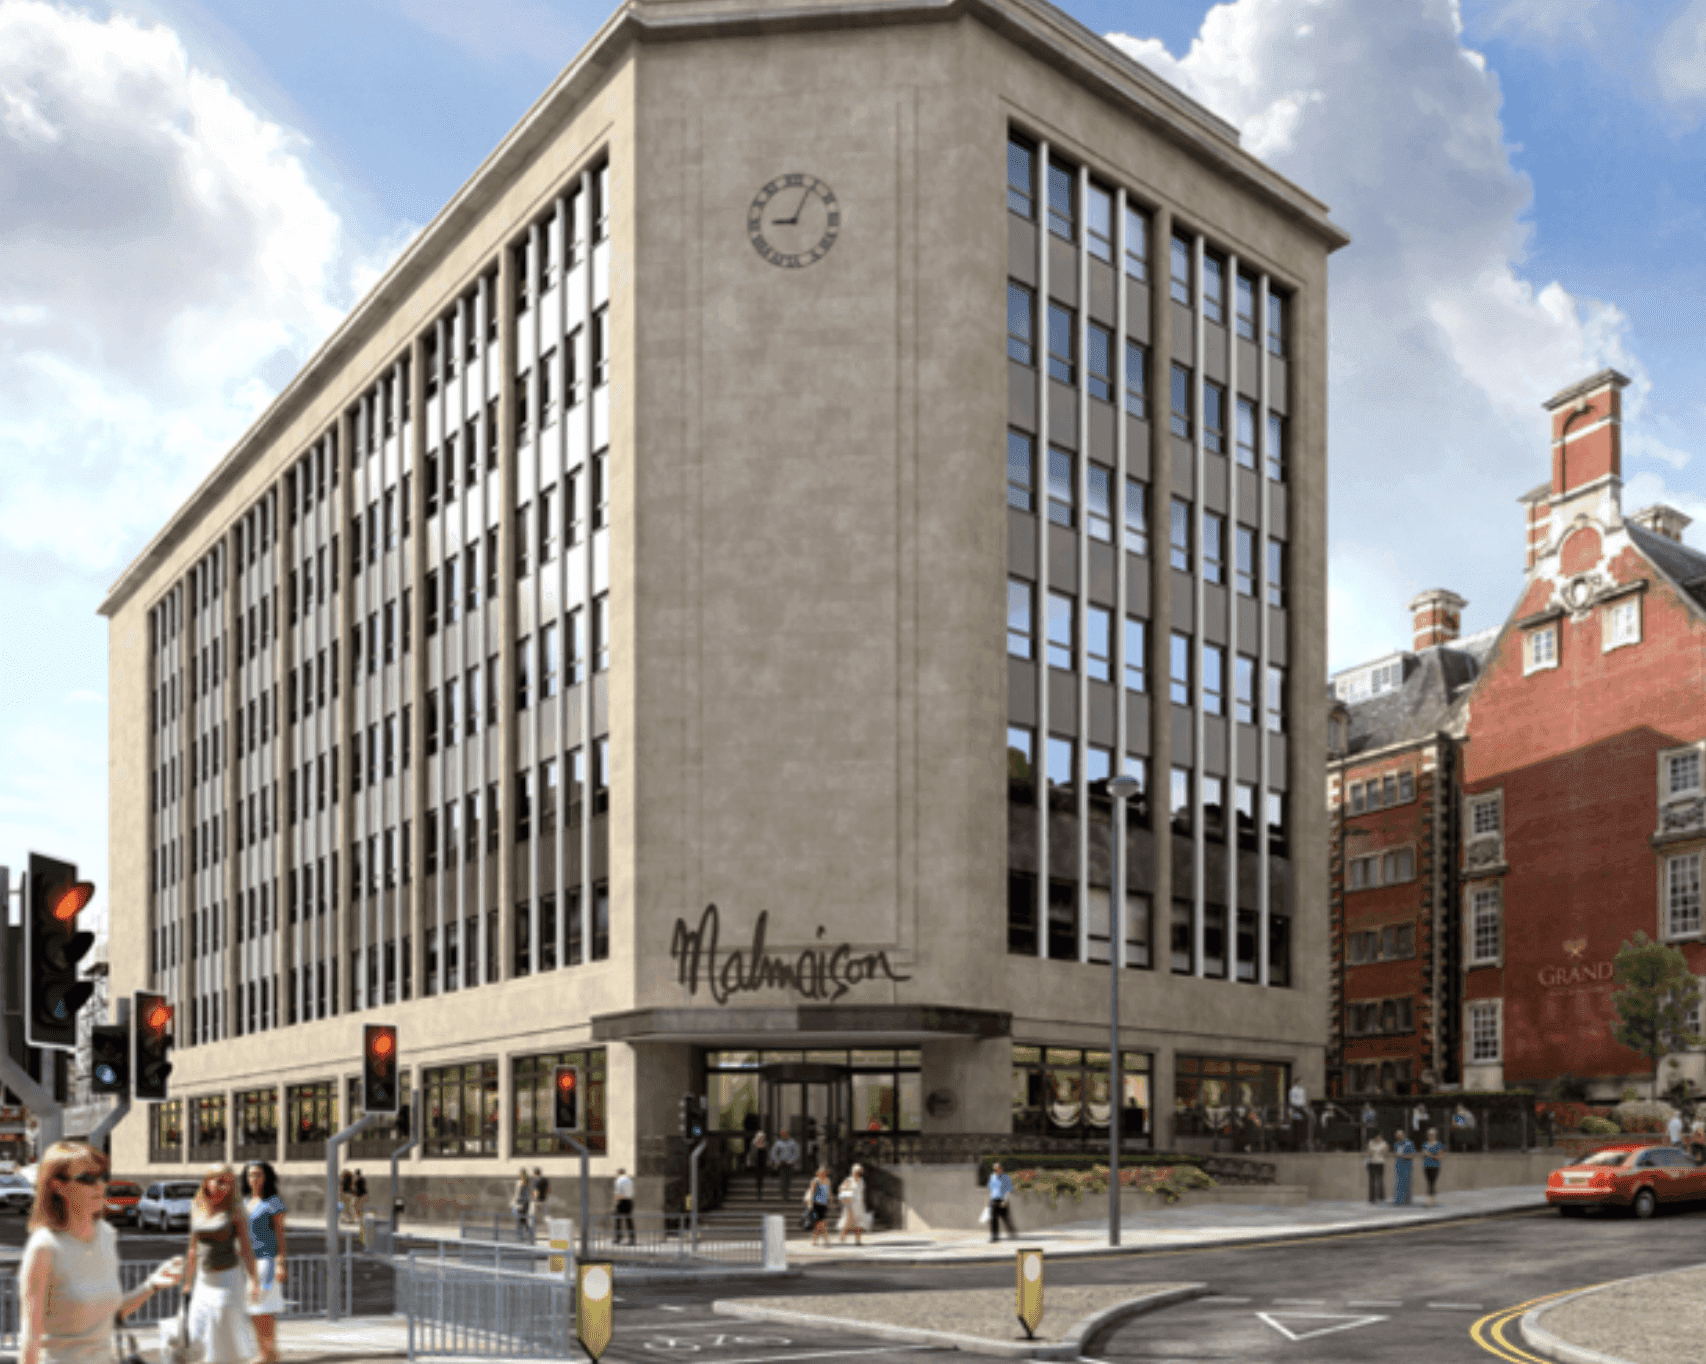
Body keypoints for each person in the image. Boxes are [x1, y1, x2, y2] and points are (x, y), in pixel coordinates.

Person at [20, 1140, 182, 1364]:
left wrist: (152, 1285)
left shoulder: (106, 1235)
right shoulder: (44, 1247)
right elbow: (31, 1339)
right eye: (88, 1179)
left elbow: (111, 1315)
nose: (100, 1186)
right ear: (58, 1186)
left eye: (103, 1177)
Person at [183, 1164, 262, 1364]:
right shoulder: (197, 1206)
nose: (221, 1186)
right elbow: (193, 1248)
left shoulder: (235, 1211)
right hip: (203, 1281)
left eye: (227, 1182)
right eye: (217, 1180)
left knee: (222, 1335)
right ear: (207, 1182)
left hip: (227, 1279)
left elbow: (246, 1248)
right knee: (199, 1334)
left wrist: (254, 1280)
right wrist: (186, 1281)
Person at [244, 1161, 288, 1364]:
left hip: (267, 1261)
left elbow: (280, 1234)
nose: (254, 1179)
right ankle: (267, 1352)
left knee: (265, 1308)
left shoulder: (274, 1202)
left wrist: (281, 1263)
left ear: (266, 1177)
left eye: (258, 1174)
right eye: (251, 1175)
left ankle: (268, 1353)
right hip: (248, 1264)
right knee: (254, 1309)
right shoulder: (244, 1202)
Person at [837, 1163, 868, 1246]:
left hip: (859, 1204)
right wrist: (846, 1198)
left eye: (860, 1172)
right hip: (850, 1204)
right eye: (857, 1171)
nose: (858, 1173)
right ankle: (842, 1238)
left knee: (859, 1223)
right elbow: (841, 1189)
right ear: (853, 1172)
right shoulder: (849, 1180)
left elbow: (862, 1192)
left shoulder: (861, 1181)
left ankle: (858, 1241)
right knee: (847, 1222)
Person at [986, 1161, 1016, 1242]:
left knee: (1006, 1218)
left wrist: (1005, 1201)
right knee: (993, 1219)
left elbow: (1009, 1190)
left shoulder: (1006, 1177)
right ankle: (994, 1236)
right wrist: (990, 1201)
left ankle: (1012, 1232)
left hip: (1003, 1200)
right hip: (994, 1200)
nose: (995, 1170)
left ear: (1000, 1168)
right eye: (994, 1169)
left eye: (997, 1169)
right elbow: (991, 1189)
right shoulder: (992, 1177)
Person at [804, 1167, 834, 1247]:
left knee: (819, 1223)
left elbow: (829, 1192)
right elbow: (811, 1191)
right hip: (816, 1204)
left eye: (825, 1172)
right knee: (821, 1223)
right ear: (818, 1173)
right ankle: (826, 1239)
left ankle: (814, 1240)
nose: (823, 1174)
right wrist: (810, 1203)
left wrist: (831, 1202)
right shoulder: (815, 1180)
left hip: (824, 1204)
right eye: (822, 1172)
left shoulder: (828, 1181)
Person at [770, 1129, 800, 1204]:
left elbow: (796, 1152)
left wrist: (792, 1160)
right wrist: (777, 1161)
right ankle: (784, 1196)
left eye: (784, 1133)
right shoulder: (778, 1143)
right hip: (782, 1163)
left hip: (789, 1163)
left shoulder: (792, 1142)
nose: (783, 1135)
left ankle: (787, 1194)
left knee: (788, 1180)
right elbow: (773, 1153)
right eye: (782, 1134)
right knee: (783, 1180)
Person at [1364, 1131, 1390, 1204]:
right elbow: (1368, 1152)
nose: (1379, 1138)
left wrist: (1384, 1150)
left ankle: (1381, 1197)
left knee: (1380, 1180)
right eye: (1378, 1136)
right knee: (1372, 1181)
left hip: (1380, 1162)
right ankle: (1372, 1198)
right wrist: (1370, 1151)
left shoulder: (1384, 1143)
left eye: (1380, 1137)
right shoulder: (1371, 1143)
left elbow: (1386, 1153)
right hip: (1372, 1162)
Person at [1421, 1127, 1445, 1207]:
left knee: (1432, 1183)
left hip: (1435, 1166)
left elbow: (1440, 1156)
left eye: (1432, 1134)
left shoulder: (1438, 1144)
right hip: (1426, 1166)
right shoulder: (1425, 1144)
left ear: (1435, 1135)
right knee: (1428, 1183)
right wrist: (1424, 1154)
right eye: (1429, 1134)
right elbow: (1423, 1155)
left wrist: (1430, 1155)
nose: (1430, 1136)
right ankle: (1431, 1200)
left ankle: (1431, 1201)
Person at [1392, 1130, 1415, 1206]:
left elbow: (1411, 1155)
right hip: (1399, 1166)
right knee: (1398, 1183)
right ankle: (1398, 1200)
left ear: (1403, 1135)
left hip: (1407, 1166)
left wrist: (1402, 1156)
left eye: (1400, 1135)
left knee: (1407, 1183)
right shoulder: (1396, 1144)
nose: (1398, 1136)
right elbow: (1395, 1154)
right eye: (1397, 1135)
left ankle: (1407, 1200)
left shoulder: (1409, 1143)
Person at [612, 1168, 635, 1246]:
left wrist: (615, 1204)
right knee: (629, 1220)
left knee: (618, 1220)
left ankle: (618, 1237)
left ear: (619, 1173)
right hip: (629, 1201)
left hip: (621, 1201)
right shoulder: (630, 1180)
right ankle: (632, 1238)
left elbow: (617, 1193)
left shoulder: (618, 1181)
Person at [511, 1169, 534, 1238]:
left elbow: (518, 1193)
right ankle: (528, 1232)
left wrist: (514, 1201)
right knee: (523, 1218)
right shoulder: (527, 1183)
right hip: (526, 1202)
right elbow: (527, 1194)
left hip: (520, 1202)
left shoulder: (520, 1183)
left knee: (519, 1218)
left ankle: (521, 1233)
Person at [748, 1129, 768, 1200]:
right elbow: (751, 1154)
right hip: (756, 1164)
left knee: (761, 1179)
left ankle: (760, 1193)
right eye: (761, 1137)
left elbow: (766, 1154)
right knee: (758, 1179)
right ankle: (758, 1194)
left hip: (763, 1164)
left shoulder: (765, 1144)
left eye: (763, 1137)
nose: (762, 1138)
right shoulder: (753, 1144)